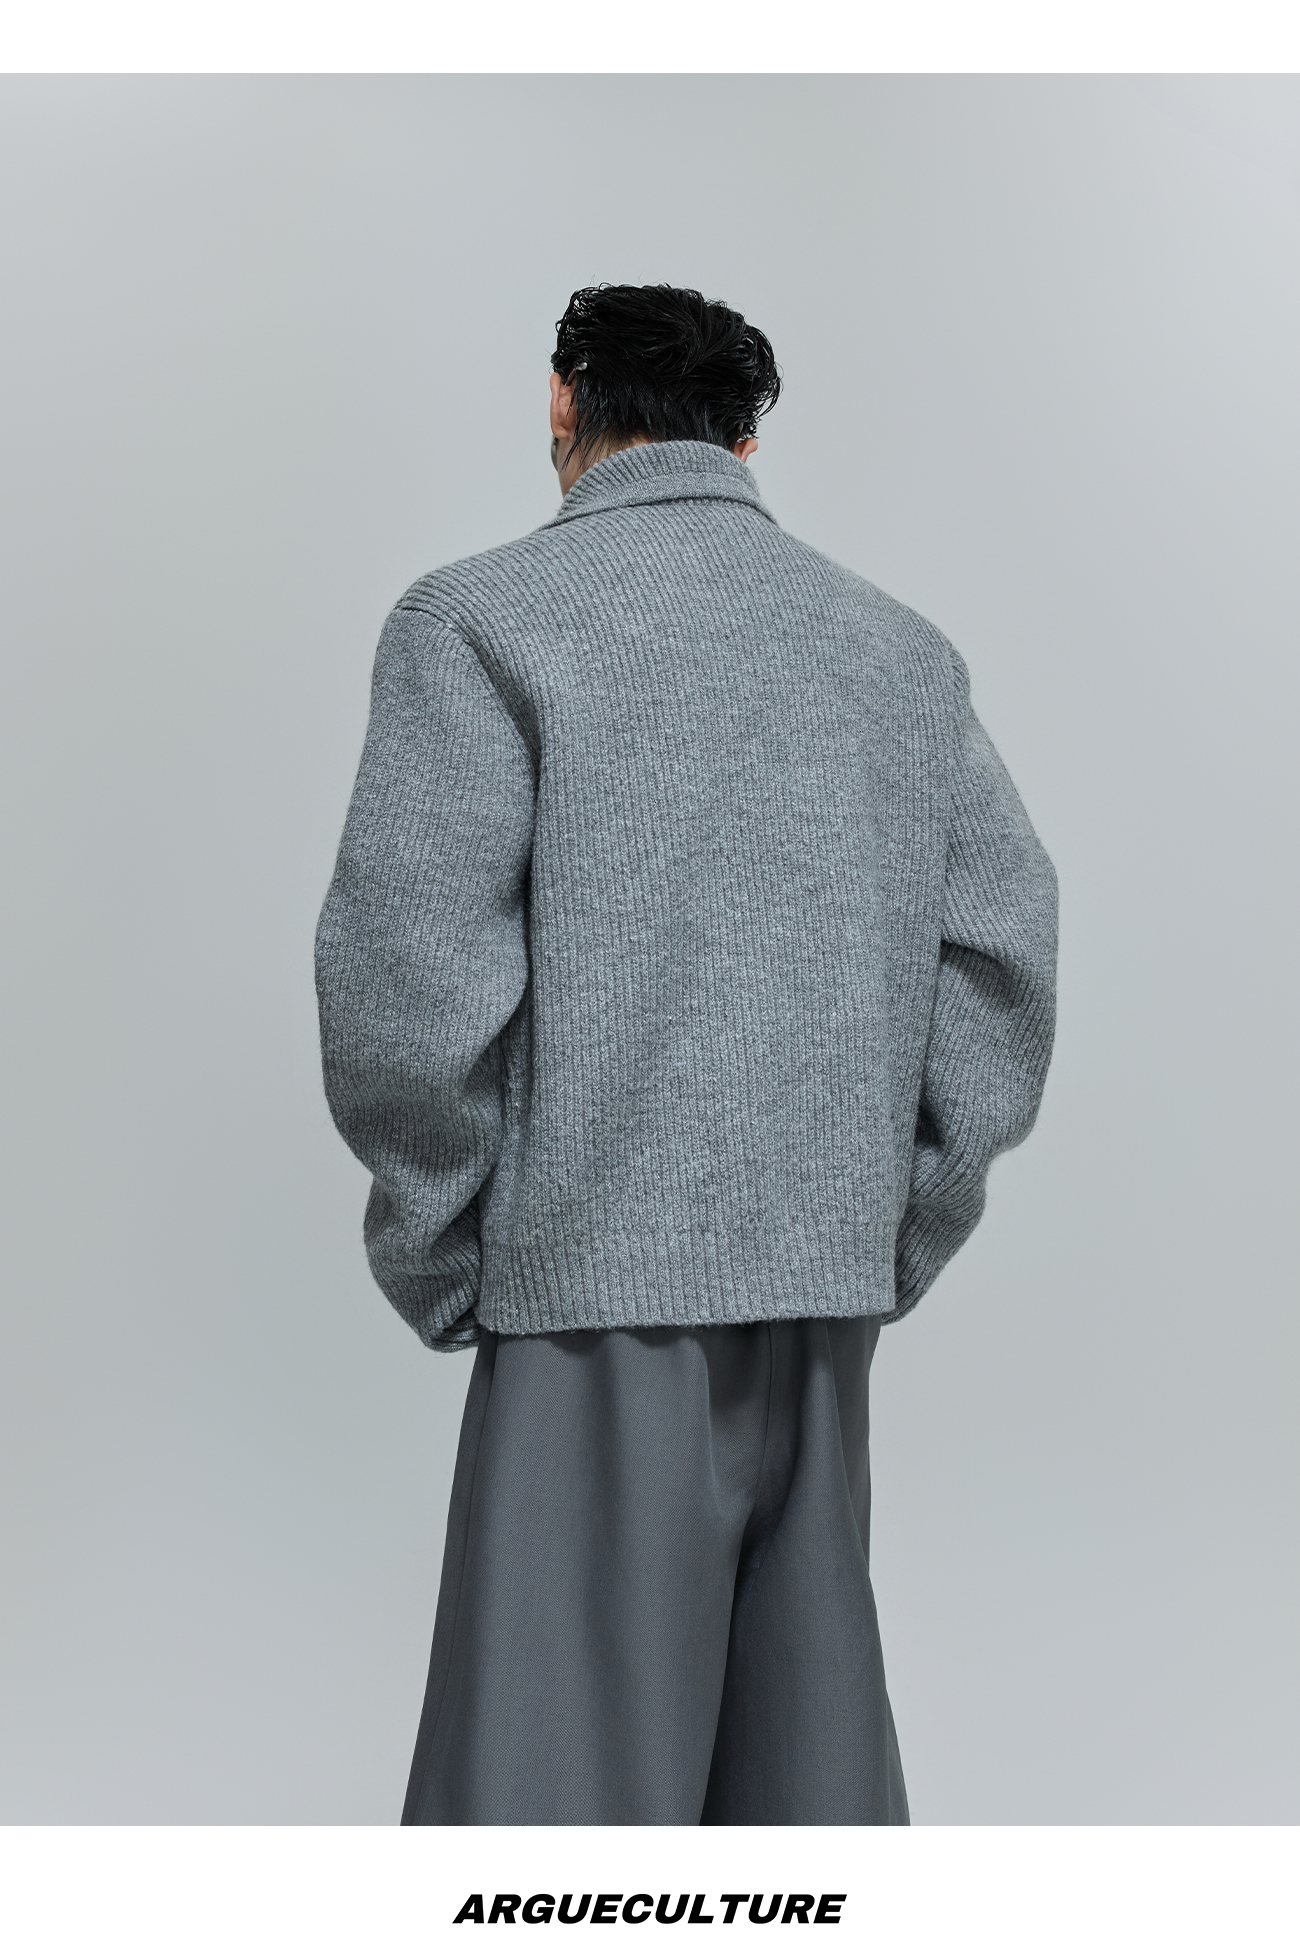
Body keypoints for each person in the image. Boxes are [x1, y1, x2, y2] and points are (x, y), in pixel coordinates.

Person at [314, 283, 1058, 1825]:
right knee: (806, 1819)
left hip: (590, 1301)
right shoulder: (899, 652)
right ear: (747, 435)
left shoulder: (482, 621)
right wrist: (884, 1233)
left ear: (562, 402)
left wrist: (448, 1253)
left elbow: (409, 979)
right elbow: (1002, 956)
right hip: (819, 1312)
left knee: (545, 1829)